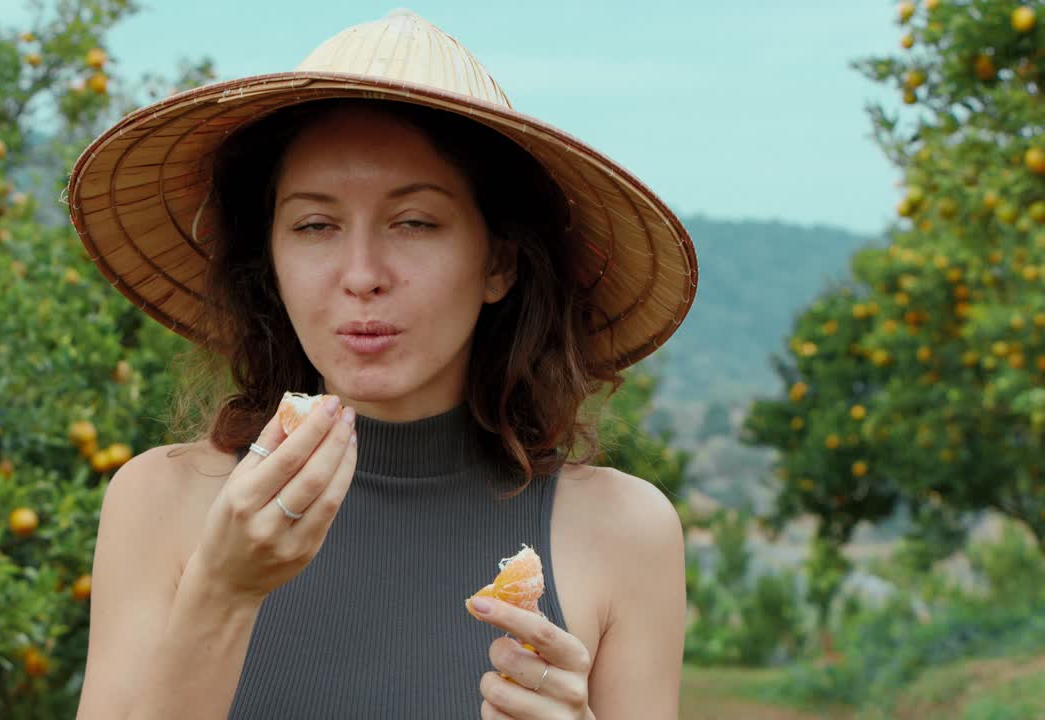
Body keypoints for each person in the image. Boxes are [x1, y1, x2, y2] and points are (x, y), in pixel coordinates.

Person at [69, 9, 697, 720]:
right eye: (315, 226)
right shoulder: (160, 502)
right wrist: (221, 590)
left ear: (499, 262)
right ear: (270, 262)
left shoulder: (625, 534)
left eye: (415, 222)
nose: (362, 274)